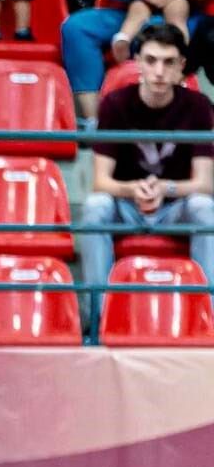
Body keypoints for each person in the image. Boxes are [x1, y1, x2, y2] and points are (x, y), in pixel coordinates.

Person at [82, 23, 214, 313]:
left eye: (168, 62)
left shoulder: (199, 106)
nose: (159, 71)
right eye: (151, 60)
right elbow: (100, 182)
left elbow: (204, 184)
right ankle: (99, 316)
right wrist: (133, 189)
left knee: (205, 207)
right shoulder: (114, 104)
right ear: (137, 62)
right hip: (127, 207)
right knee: (95, 206)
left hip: (174, 208)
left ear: (181, 65)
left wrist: (164, 187)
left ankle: (210, 315)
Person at [57, 0, 214, 119]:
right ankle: (94, 121)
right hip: (134, 6)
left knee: (161, 29)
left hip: (183, 10)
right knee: (76, 27)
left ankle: (167, 120)